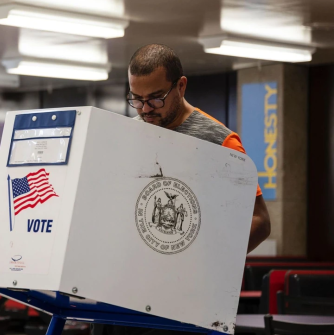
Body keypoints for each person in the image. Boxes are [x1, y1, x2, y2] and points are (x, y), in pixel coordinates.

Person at [94, 44, 272, 335]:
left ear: (181, 86)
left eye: (155, 99)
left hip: (186, 304)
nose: (145, 110)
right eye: (136, 100)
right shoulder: (125, 136)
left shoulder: (220, 143)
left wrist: (204, 263)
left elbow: (260, 222)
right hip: (122, 293)